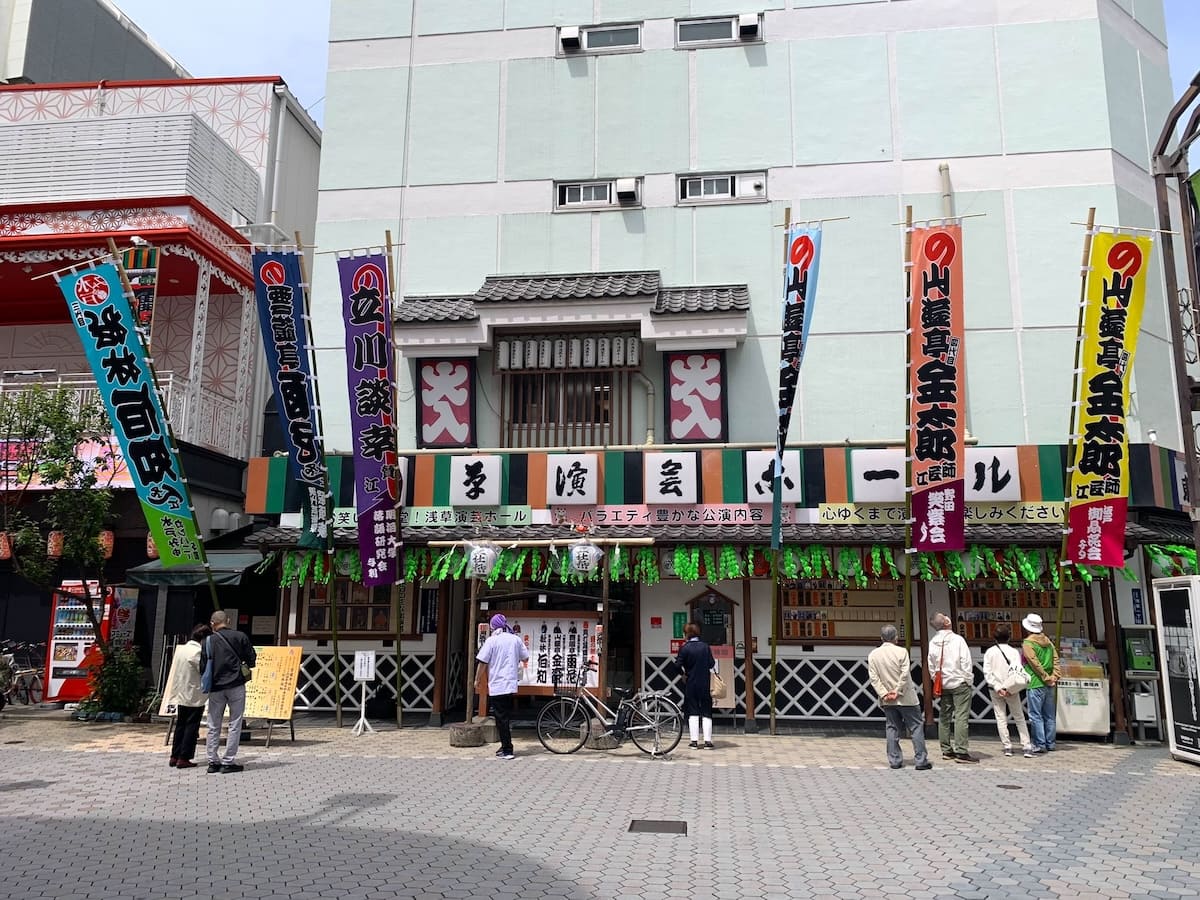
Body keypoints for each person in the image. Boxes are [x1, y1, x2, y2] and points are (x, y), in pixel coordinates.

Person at [867, 625, 932, 770]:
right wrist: (897, 690)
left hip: (887, 700)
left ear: (881, 638)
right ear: (896, 637)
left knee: (892, 728)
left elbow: (874, 678)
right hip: (906, 697)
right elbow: (905, 674)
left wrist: (884, 693)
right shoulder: (902, 652)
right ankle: (921, 760)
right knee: (916, 727)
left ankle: (895, 760)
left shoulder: (873, 654)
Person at [198, 610, 256, 774]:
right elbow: (251, 659)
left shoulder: (208, 640)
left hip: (216, 687)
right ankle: (228, 761)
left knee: (213, 724)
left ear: (212, 623)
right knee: (235, 723)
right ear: (228, 621)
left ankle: (212, 761)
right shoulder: (240, 636)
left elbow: (202, 666)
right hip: (236, 684)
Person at [475, 614, 529, 760]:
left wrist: (477, 679)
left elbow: (482, 662)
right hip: (510, 684)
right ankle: (504, 745)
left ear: (493, 626)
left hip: (497, 684)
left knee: (501, 718)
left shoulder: (492, 641)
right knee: (503, 716)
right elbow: (525, 657)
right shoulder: (515, 639)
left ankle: (508, 750)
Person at [927, 611, 977, 763]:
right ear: (947, 622)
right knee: (961, 716)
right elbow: (966, 662)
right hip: (959, 681)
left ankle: (946, 750)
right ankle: (961, 751)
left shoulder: (933, 642)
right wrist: (968, 679)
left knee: (944, 716)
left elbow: (931, 665)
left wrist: (936, 679)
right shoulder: (958, 640)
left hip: (943, 683)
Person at [982, 623, 1034, 759]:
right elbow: (1017, 671)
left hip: (995, 689)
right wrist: (1009, 688)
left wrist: (998, 687)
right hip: (1012, 688)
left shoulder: (990, 652)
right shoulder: (1013, 652)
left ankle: (1007, 746)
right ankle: (1026, 746)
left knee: (1000, 717)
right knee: (1019, 717)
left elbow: (987, 673)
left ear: (994, 637)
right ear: (1009, 637)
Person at [165, 623, 211, 769]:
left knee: (180, 725)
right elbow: (204, 670)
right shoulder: (197, 652)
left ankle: (175, 755)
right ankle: (184, 757)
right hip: (193, 694)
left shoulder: (182, 649)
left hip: (181, 692)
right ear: (203, 639)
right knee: (191, 726)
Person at [1022, 613, 1062, 753]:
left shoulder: (1028, 643)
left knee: (1035, 715)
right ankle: (1050, 743)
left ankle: (1040, 743)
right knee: (1049, 715)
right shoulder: (1048, 641)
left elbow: (1034, 663)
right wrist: (1054, 676)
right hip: (1050, 683)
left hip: (1035, 682)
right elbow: (1056, 659)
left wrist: (1045, 677)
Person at [675, 622, 715, 749]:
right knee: (706, 711)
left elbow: (676, 665)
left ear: (686, 634)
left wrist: (682, 674)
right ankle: (708, 741)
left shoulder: (685, 648)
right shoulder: (705, 647)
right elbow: (711, 664)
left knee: (693, 711)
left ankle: (694, 741)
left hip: (690, 682)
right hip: (704, 682)